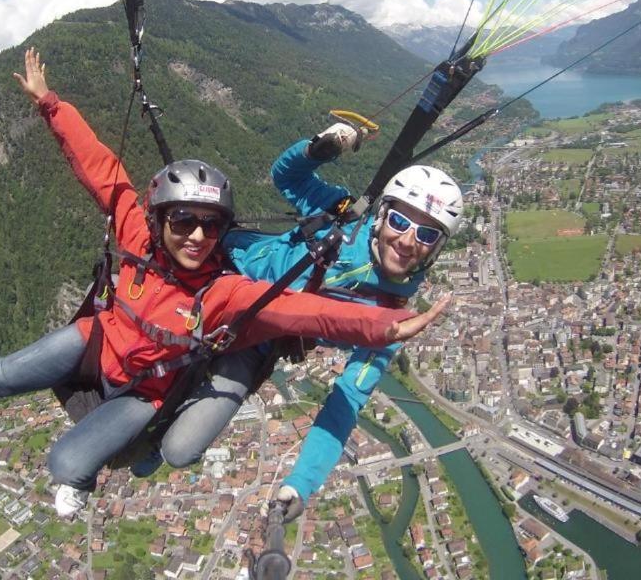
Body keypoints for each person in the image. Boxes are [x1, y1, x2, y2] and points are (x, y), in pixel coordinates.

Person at [0, 49, 444, 517]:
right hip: (99, 340)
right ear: (160, 220)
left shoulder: (223, 294)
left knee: (71, 463)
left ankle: (87, 475)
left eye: (210, 226)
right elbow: (103, 171)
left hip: (149, 385)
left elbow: (305, 315)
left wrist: (387, 324)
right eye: (183, 222)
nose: (195, 236)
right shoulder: (141, 235)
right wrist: (49, 104)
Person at [133, 120, 462, 521]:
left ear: (437, 249)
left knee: (182, 443)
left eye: (427, 234)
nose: (409, 241)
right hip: (226, 268)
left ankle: (157, 431)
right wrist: (318, 149)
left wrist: (301, 482)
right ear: (381, 216)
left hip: (259, 336)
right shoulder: (344, 216)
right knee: (146, 339)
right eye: (400, 221)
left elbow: (346, 403)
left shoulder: (389, 320)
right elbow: (286, 176)